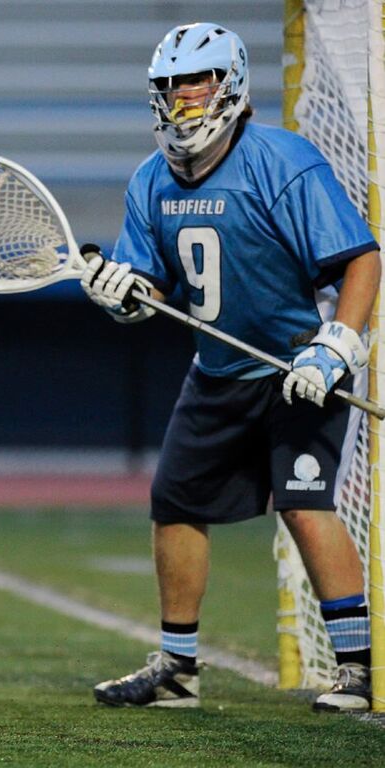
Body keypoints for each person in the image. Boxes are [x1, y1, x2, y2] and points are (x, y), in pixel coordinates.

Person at [81, 22, 379, 712]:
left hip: (298, 365)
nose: (184, 95)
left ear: (231, 83)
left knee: (304, 505)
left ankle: (357, 669)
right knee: (174, 504)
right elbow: (153, 289)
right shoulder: (150, 179)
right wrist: (123, 294)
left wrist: (336, 342)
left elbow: (360, 258)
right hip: (217, 370)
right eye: (171, 85)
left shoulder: (281, 160)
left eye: (198, 80)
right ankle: (177, 669)